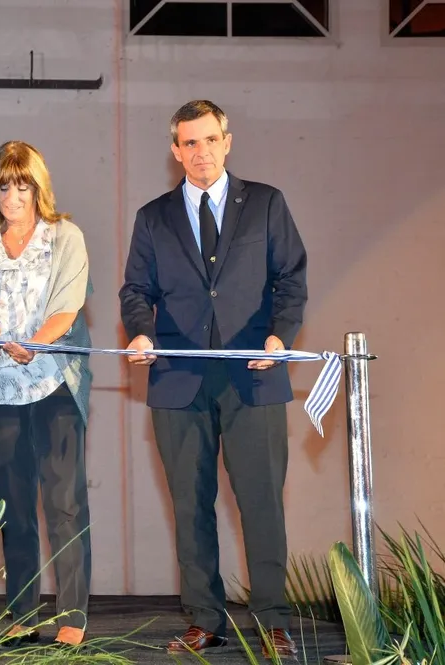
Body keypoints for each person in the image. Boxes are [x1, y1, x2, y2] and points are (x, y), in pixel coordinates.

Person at [119, 99, 307, 658]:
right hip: (178, 379)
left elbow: (290, 279)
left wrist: (281, 338)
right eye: (189, 143)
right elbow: (135, 291)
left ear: (228, 142)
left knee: (262, 502)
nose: (201, 152)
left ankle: (272, 621)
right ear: (175, 151)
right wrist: (140, 333)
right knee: (190, 504)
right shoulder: (152, 217)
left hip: (256, 374)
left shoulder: (267, 203)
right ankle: (205, 618)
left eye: (209, 140)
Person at [0, 141, 92, 648]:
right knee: (13, 509)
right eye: (3, 186)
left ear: (39, 189)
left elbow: (68, 307)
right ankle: (22, 612)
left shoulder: (65, 236)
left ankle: (72, 615)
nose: (12, 197)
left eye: (22, 186)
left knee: (64, 505)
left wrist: (37, 342)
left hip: (54, 385)